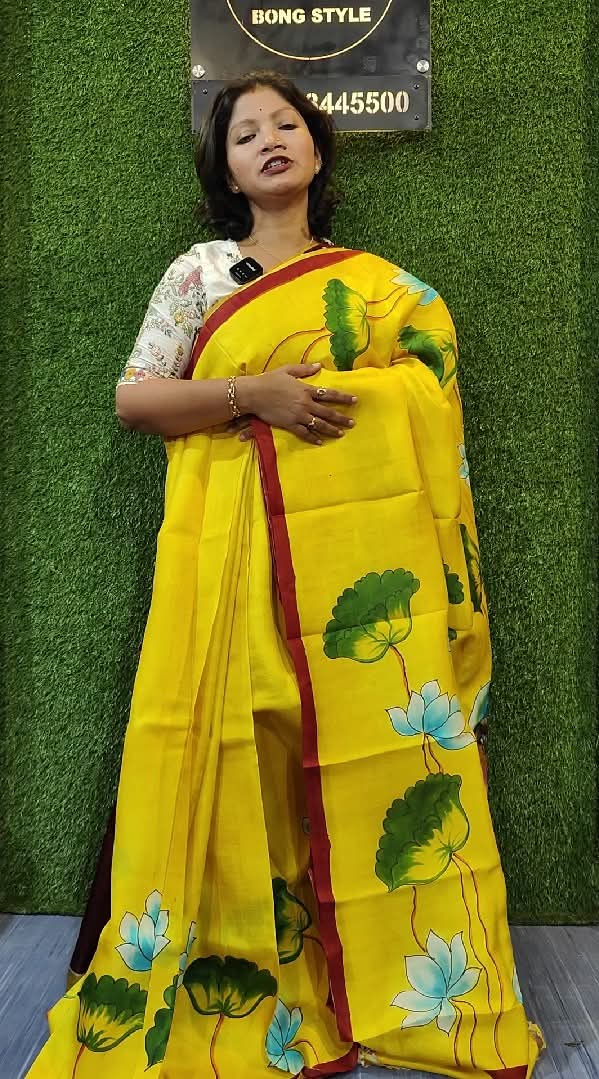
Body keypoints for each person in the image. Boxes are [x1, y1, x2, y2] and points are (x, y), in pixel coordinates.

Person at [29, 71, 544, 1078]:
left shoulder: (382, 292)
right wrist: (250, 393)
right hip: (225, 563)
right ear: (226, 171)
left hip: (349, 581)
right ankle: (247, 970)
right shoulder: (200, 274)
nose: (268, 139)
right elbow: (137, 400)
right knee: (238, 751)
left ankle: (379, 982)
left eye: (285, 124)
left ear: (315, 148)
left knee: (347, 753)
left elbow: (427, 389)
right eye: (243, 134)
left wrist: (366, 395)